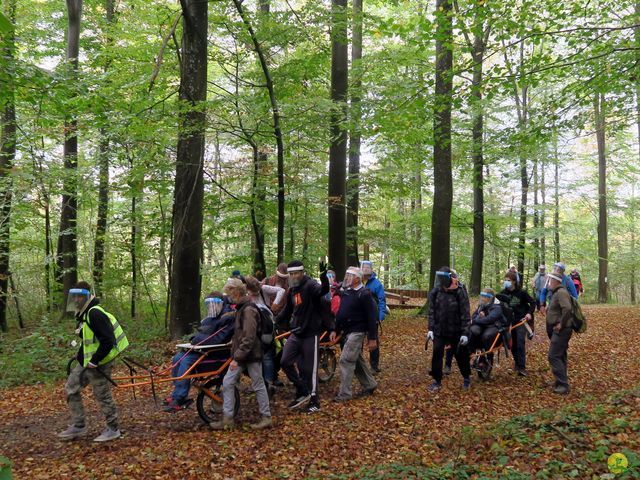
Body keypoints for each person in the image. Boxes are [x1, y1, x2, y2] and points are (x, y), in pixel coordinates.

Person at [57, 282, 129, 442]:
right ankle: (78, 425)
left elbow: (108, 341)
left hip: (99, 361)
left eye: (79, 296)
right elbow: (89, 340)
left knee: (102, 394)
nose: (76, 299)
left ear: (87, 296)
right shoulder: (83, 314)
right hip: (86, 361)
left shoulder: (95, 313)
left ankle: (113, 428)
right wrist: (81, 356)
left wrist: (95, 361)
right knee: (71, 388)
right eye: (74, 296)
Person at [210, 278, 272, 430]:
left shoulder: (248, 310)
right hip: (244, 354)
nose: (228, 296)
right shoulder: (241, 308)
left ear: (236, 292)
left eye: (229, 293)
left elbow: (249, 337)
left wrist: (237, 358)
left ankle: (266, 417)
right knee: (228, 382)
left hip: (250, 355)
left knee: (258, 385)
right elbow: (241, 334)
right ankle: (227, 419)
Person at [275, 260, 332, 413]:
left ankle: (314, 401)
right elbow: (287, 310)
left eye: (296, 273)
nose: (294, 276)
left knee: (310, 369)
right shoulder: (292, 290)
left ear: (302, 272)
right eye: (291, 274)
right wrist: (274, 321)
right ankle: (302, 390)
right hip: (296, 333)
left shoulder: (310, 285)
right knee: (285, 361)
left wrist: (323, 277)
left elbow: (323, 290)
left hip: (310, 334)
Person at [163, 292, 235, 412]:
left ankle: (180, 397)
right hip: (204, 352)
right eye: (208, 304)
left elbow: (218, 338)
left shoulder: (228, 318)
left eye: (213, 304)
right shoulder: (208, 319)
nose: (211, 307)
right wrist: (194, 340)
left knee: (185, 361)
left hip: (217, 355)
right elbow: (200, 335)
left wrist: (196, 340)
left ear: (220, 304)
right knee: (177, 358)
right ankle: (177, 394)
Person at [333, 267, 378, 402]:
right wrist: (335, 329)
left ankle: (345, 394)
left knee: (346, 359)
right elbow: (341, 313)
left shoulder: (364, 294)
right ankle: (370, 384)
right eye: (346, 275)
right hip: (347, 331)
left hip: (357, 332)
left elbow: (371, 317)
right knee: (356, 360)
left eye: (349, 276)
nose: (346, 278)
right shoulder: (347, 292)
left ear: (357, 278)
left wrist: (372, 338)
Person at [426, 267, 471, 392]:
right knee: (437, 353)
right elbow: (431, 312)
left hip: (456, 331)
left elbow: (465, 313)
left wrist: (465, 333)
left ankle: (466, 377)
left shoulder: (459, 291)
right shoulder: (436, 291)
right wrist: (430, 328)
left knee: (461, 355)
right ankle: (437, 380)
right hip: (439, 330)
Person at [245, 276, 285, 393]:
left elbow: (281, 291)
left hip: (267, 324)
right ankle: (259, 383)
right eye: (252, 291)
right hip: (254, 325)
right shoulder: (246, 292)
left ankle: (269, 383)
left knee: (268, 355)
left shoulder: (263, 288)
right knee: (256, 355)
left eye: (256, 291)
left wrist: (275, 303)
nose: (255, 293)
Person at [500, 271, 536, 376]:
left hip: (521, 321)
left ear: (514, 281)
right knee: (512, 344)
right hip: (509, 322)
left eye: (508, 280)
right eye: (505, 280)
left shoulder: (522, 293)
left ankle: (522, 367)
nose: (506, 282)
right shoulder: (503, 293)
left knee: (520, 343)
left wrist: (529, 313)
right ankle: (517, 363)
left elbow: (533, 302)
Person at [545, 273, 574, 394]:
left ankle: (563, 384)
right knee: (560, 355)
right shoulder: (556, 292)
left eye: (549, 280)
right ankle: (560, 381)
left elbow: (567, 308)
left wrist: (561, 324)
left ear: (555, 281)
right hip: (558, 329)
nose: (548, 282)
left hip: (562, 330)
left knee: (553, 355)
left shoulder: (561, 292)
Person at [263, 263, 290, 386]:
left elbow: (289, 305)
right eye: (280, 276)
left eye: (284, 277)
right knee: (270, 349)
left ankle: (275, 373)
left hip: (282, 322)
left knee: (282, 349)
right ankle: (271, 376)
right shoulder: (267, 281)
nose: (282, 279)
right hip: (267, 320)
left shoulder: (288, 286)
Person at [361, 260, 386, 374]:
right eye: (364, 267)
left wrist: (380, 316)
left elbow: (382, 300)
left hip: (372, 318)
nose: (365, 269)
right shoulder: (357, 281)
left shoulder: (377, 284)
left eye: (368, 267)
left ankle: (374, 366)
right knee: (357, 341)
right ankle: (358, 365)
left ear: (371, 269)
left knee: (373, 340)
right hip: (359, 318)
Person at [469, 288, 505, 369]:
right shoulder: (482, 305)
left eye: (484, 296)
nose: (482, 298)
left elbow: (490, 318)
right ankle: (471, 352)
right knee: (473, 331)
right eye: (481, 296)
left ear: (490, 297)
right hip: (483, 324)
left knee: (486, 336)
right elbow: (474, 315)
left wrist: (477, 320)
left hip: (494, 326)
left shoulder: (497, 306)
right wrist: (478, 317)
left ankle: (488, 357)